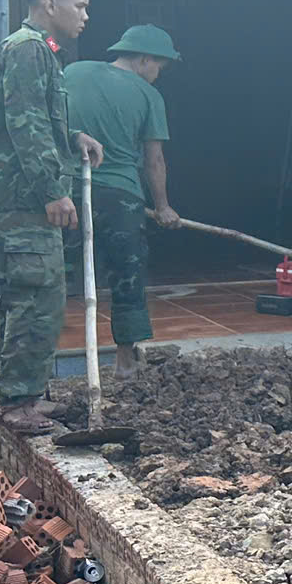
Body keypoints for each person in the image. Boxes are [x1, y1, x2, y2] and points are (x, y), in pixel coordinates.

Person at [0, 0, 103, 433]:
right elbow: (24, 124)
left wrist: (73, 137)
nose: (85, 16)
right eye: (80, 5)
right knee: (36, 295)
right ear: (52, 4)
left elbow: (40, 120)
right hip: (22, 198)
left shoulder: (41, 51)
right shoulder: (28, 49)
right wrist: (53, 190)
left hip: (19, 195)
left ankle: (22, 392)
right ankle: (16, 405)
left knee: (30, 293)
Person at [61, 25, 183, 376]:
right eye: (159, 65)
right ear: (144, 59)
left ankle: (41, 355)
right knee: (127, 275)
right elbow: (153, 160)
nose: (158, 75)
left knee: (58, 272)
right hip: (121, 196)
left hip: (68, 191)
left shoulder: (74, 71)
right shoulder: (148, 96)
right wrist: (162, 207)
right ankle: (126, 360)